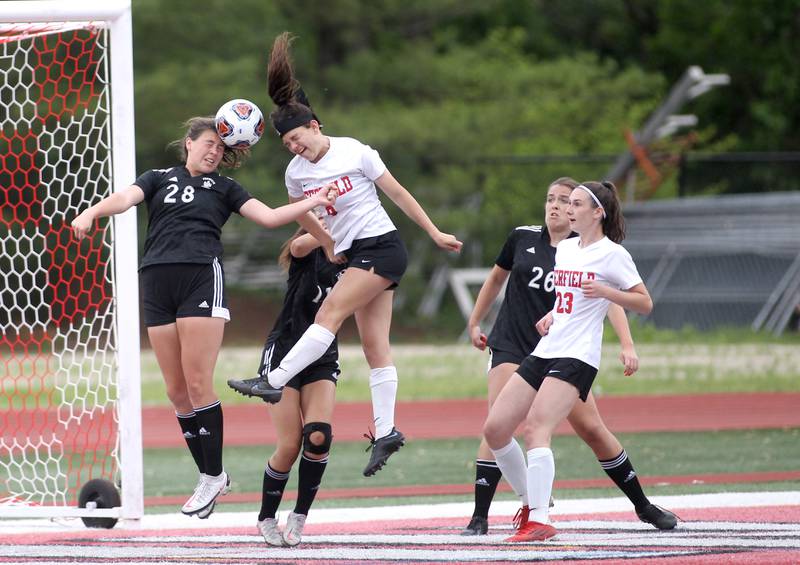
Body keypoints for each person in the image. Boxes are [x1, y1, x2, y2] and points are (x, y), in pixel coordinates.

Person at [70, 117, 337, 519]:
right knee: (176, 391)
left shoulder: (226, 188)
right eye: (209, 144)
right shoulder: (158, 177)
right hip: (156, 280)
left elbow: (267, 217)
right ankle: (211, 475)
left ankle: (212, 476)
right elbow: (125, 198)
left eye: (222, 149)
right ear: (190, 143)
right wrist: (92, 212)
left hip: (199, 277)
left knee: (197, 383)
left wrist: (313, 202)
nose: (215, 153)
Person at [258, 32, 463, 477]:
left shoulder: (354, 151)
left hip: (383, 248)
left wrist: (433, 231)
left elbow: (398, 193)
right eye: (287, 144)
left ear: (315, 126)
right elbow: (306, 220)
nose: (295, 148)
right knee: (375, 348)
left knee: (327, 315)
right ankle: (387, 431)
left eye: (298, 138)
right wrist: (329, 244)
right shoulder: (296, 174)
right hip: (355, 255)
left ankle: (272, 381)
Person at [462, 178, 677, 536]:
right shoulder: (568, 250)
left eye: (575, 203)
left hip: (576, 356)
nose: (565, 209)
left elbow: (644, 301)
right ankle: (533, 501)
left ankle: (540, 519)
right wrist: (553, 315)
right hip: (546, 348)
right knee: (495, 429)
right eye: (562, 201)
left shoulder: (613, 254)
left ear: (598, 212)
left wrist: (609, 296)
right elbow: (568, 298)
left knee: (537, 428)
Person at [228, 226, 344, 547]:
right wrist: (333, 224)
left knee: (319, 438)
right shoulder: (308, 249)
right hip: (284, 353)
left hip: (322, 356)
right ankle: (267, 515)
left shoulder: (354, 260)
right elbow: (299, 245)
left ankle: (300, 515)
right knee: (290, 444)